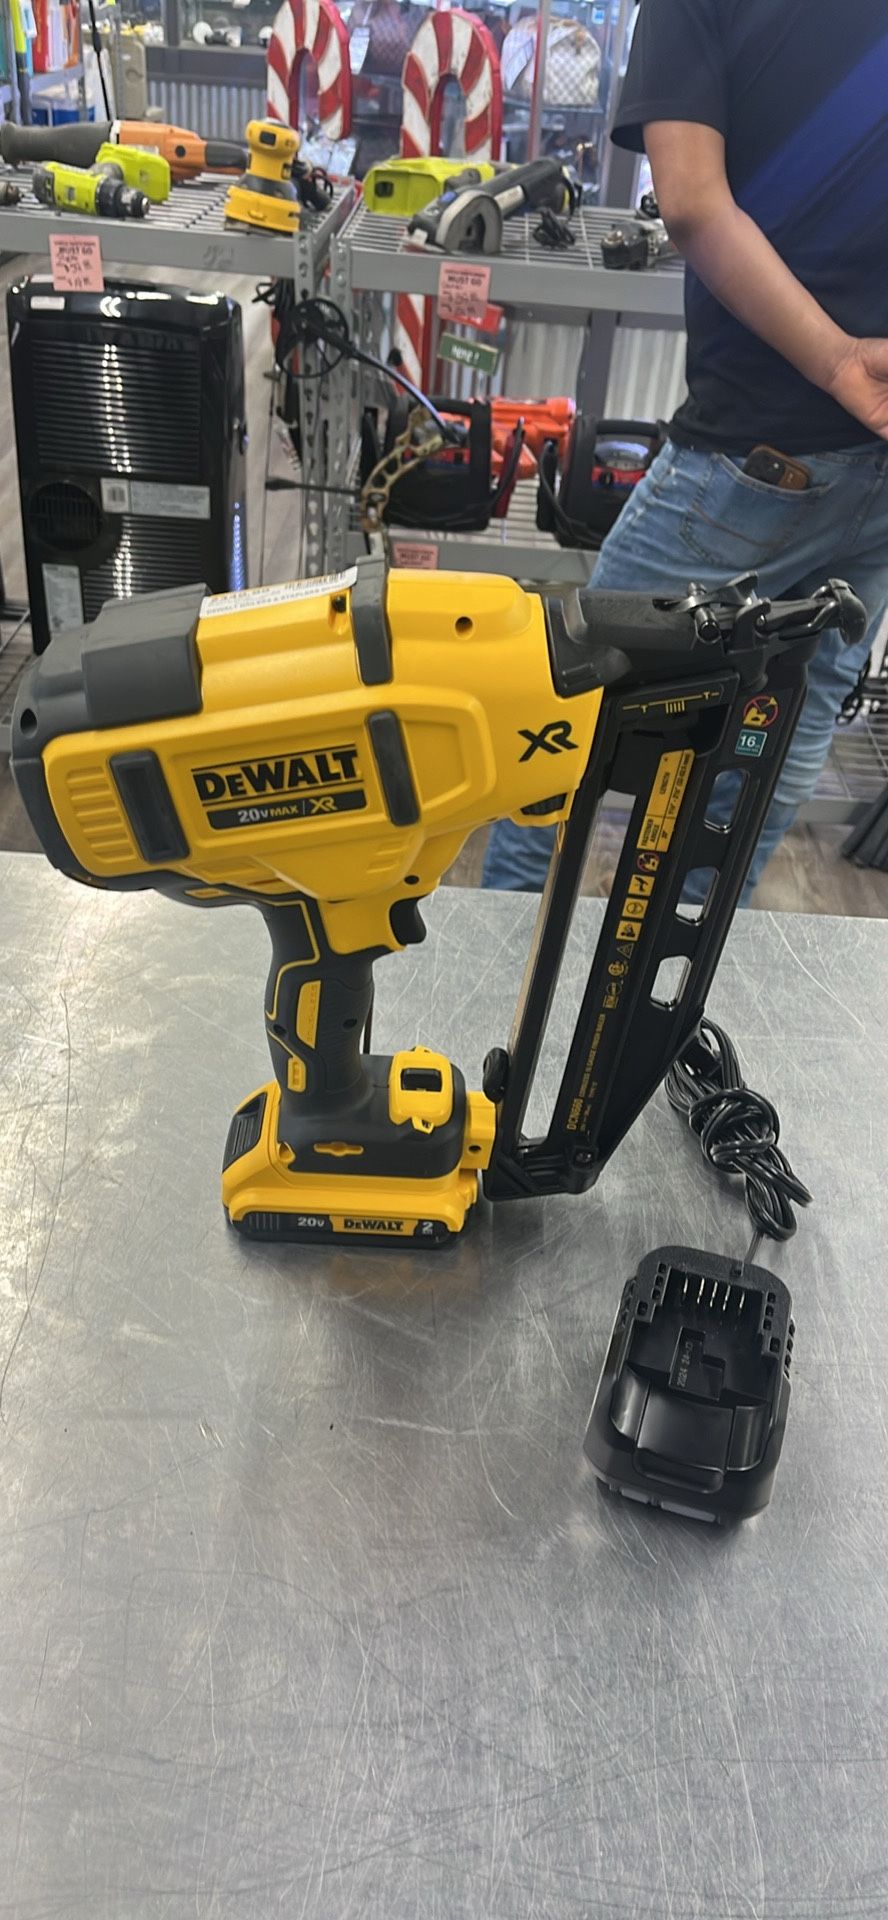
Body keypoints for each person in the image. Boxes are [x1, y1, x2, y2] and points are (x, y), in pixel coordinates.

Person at [483, 0, 888, 899]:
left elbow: (694, 205)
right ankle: (683, 963)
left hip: (763, 445)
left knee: (570, 701)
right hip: (872, 457)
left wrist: (838, 360)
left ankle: (499, 960)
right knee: (789, 721)